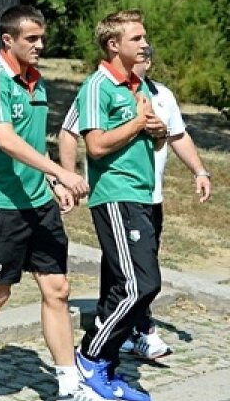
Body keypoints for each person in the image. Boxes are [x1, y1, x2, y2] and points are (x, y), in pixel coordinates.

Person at [0, 5, 114, 401]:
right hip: (0, 205)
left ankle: (69, 388)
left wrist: (54, 182)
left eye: (42, 38)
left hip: (39, 205)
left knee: (57, 290)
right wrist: (62, 171)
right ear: (9, 40)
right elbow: (5, 141)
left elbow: (33, 143)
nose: (40, 45)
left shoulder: (36, 83)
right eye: (31, 39)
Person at [58, 47, 212, 361]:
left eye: (147, 53)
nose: (142, 58)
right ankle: (102, 347)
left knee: (137, 271)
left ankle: (122, 335)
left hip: (149, 196)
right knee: (135, 277)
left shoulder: (160, 95)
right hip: (117, 194)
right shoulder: (98, 88)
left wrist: (199, 170)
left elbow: (175, 136)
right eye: (137, 47)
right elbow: (71, 133)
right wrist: (68, 177)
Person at [70, 9, 168, 401]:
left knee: (126, 286)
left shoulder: (136, 87)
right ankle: (90, 355)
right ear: (114, 45)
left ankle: (108, 367)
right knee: (140, 285)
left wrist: (157, 132)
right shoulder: (98, 87)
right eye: (136, 38)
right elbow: (93, 145)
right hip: (115, 195)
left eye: (144, 37)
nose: (145, 44)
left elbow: (150, 143)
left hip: (142, 196)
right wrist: (139, 121)